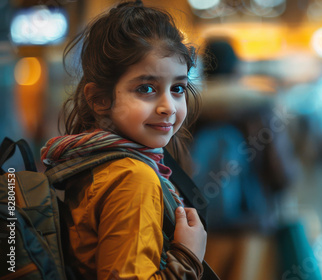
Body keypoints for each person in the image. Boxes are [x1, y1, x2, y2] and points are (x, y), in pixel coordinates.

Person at [40, 1, 210, 279]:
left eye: (178, 88)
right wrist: (187, 257)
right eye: (146, 88)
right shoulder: (132, 178)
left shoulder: (93, 161)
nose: (168, 106)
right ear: (99, 99)